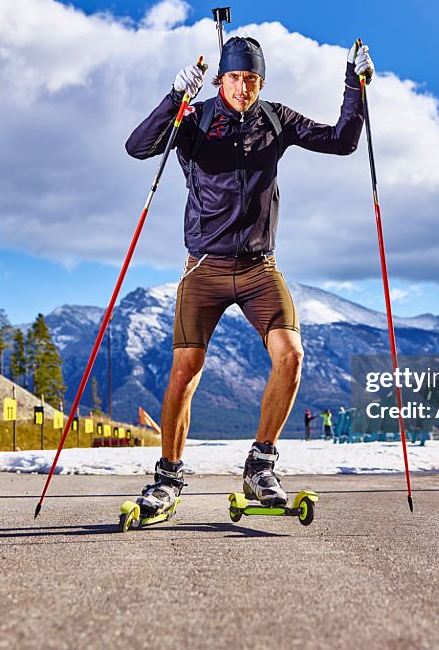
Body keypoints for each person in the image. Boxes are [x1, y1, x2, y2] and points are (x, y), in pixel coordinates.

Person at [125, 35, 374, 515]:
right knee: (186, 368)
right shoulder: (193, 119)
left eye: (253, 79)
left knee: (292, 355)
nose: (244, 87)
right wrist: (174, 98)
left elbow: (343, 142)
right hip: (204, 267)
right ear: (221, 78)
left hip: (260, 268)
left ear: (261, 81)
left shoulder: (276, 120)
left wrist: (355, 85)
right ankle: (168, 478)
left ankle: (261, 464)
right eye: (236, 77)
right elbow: (138, 147)